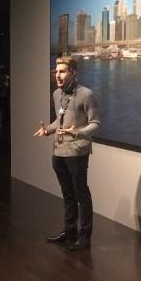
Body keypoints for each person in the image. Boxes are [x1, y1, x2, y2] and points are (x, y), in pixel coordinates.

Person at [33, 57, 100, 250]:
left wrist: (77, 132)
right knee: (67, 193)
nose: (57, 75)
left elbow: (95, 123)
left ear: (73, 72)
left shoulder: (86, 94)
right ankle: (70, 231)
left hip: (77, 152)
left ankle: (84, 236)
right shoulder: (56, 94)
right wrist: (49, 129)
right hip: (59, 151)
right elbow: (59, 120)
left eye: (62, 71)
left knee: (81, 194)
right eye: (56, 71)